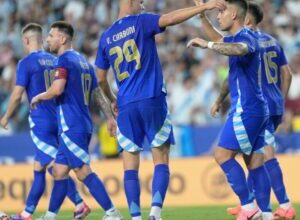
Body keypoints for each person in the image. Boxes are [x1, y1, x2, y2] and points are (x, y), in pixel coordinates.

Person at [95, 0, 226, 220]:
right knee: (161, 159)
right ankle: (155, 213)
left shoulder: (106, 36)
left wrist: (111, 99)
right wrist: (202, 8)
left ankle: (135, 216)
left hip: (125, 105)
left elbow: (100, 78)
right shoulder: (141, 22)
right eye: (141, 2)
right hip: (152, 98)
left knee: (129, 166)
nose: (143, 6)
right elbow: (171, 18)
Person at [188, 0, 273, 219]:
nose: (219, 16)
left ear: (233, 14)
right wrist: (202, 17)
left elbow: (236, 49)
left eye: (221, 12)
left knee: (222, 155)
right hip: (256, 108)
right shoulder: (237, 38)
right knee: (254, 162)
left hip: (247, 109)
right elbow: (220, 42)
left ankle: (248, 206)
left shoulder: (246, 37)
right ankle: (266, 213)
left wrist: (206, 45)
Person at [30, 21, 122, 220]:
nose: (48, 39)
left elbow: (57, 89)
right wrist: (109, 117)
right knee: (59, 171)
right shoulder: (83, 62)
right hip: (81, 123)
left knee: (82, 171)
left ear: (62, 39)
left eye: (51, 35)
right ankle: (49, 216)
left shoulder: (63, 61)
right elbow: (97, 93)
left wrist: (39, 96)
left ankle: (112, 212)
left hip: (72, 125)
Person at [0, 23, 90, 220]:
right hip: (58, 119)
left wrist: (6, 117)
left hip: (41, 121)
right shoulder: (55, 59)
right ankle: (27, 213)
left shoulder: (26, 63)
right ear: (41, 39)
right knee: (39, 166)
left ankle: (79, 203)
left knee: (55, 168)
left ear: (25, 40)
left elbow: (16, 95)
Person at [225, 2, 296, 220]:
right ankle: (250, 204)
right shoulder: (273, 41)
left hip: (258, 104)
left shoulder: (249, 42)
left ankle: (282, 204)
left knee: (264, 155)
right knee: (254, 155)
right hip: (273, 103)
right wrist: (281, 100)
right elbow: (288, 74)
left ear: (246, 19)